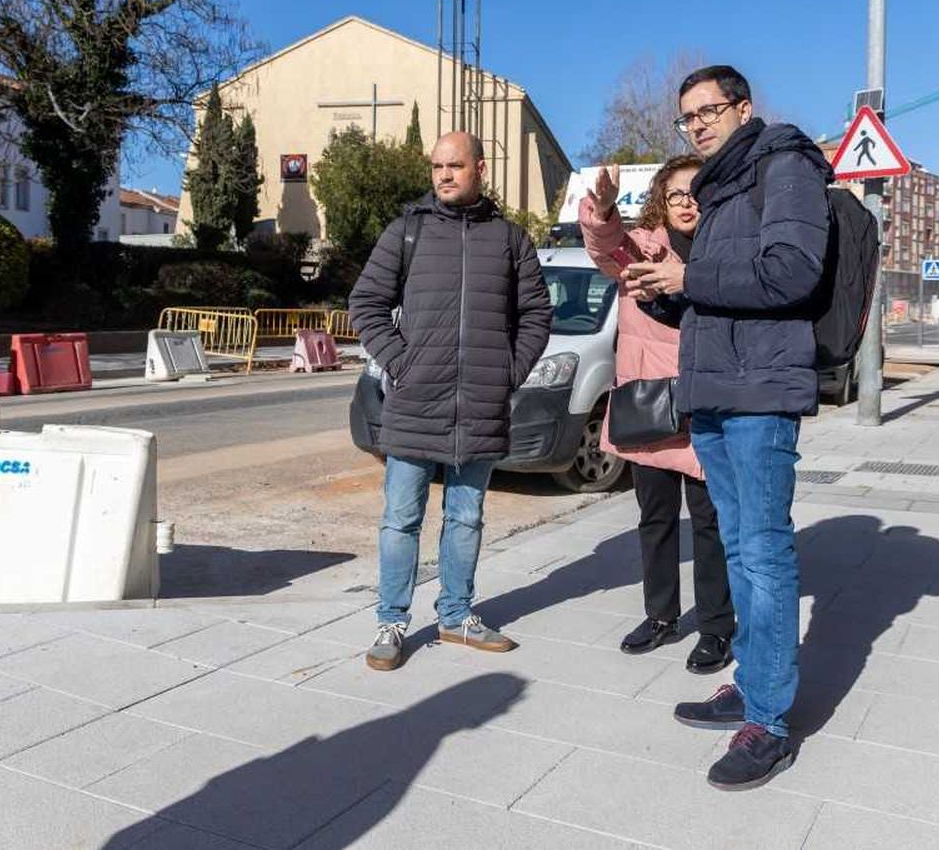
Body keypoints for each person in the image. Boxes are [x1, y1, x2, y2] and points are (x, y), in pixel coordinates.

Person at [622, 65, 830, 790]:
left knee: (764, 553)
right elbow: (717, 297)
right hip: (713, 387)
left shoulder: (784, 166)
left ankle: (769, 724)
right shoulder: (720, 186)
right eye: (688, 117)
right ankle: (751, 683)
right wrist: (662, 294)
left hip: (761, 390)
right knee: (739, 549)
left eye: (710, 110)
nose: (698, 125)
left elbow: (792, 272)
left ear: (744, 108)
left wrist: (689, 280)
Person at [348, 131, 553, 672]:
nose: (443, 175)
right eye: (437, 166)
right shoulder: (407, 231)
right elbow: (366, 303)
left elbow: (537, 314)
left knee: (466, 516)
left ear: (479, 169)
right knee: (401, 518)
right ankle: (391, 622)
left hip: (481, 406)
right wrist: (403, 362)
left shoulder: (510, 239)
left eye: (454, 166)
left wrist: (507, 372)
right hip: (415, 403)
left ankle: (456, 614)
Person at [578, 156, 736, 674]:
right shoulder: (643, 247)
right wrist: (603, 211)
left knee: (711, 524)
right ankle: (661, 616)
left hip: (708, 403)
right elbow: (605, 246)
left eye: (696, 193)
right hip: (651, 404)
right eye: (676, 195)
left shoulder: (725, 250)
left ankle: (716, 627)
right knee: (656, 519)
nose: (687, 204)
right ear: (660, 201)